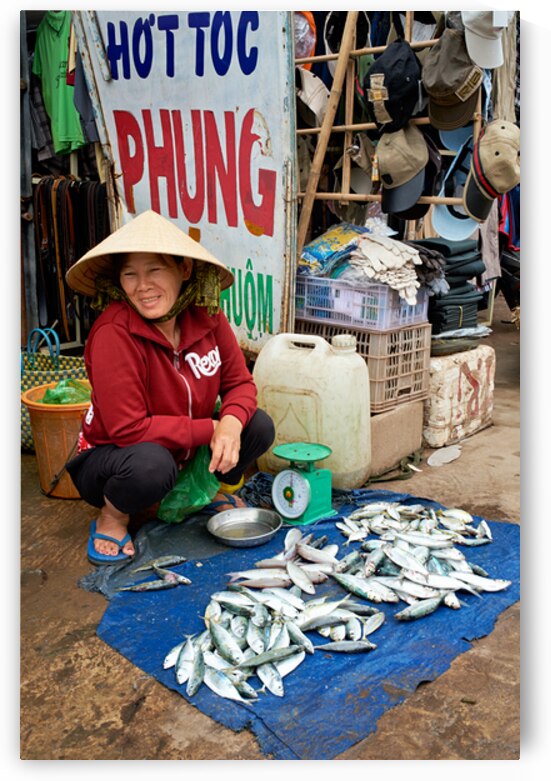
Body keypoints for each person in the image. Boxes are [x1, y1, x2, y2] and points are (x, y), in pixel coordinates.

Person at [65, 210, 275, 566]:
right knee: (151, 464)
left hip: (184, 453)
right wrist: (211, 427)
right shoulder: (113, 333)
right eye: (130, 274)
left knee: (257, 425)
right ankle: (114, 516)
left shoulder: (207, 316)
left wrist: (231, 422)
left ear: (184, 270)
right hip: (114, 460)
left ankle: (212, 493)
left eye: (155, 270)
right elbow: (126, 429)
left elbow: (240, 383)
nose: (141, 285)